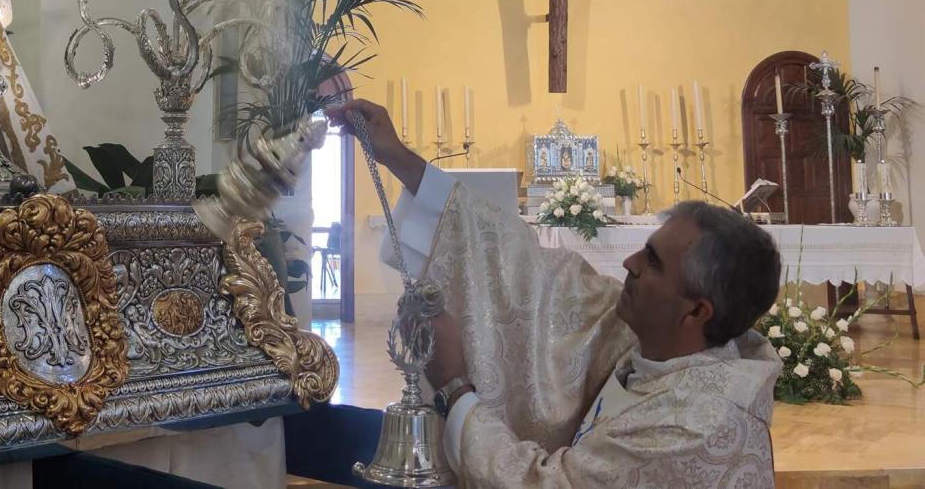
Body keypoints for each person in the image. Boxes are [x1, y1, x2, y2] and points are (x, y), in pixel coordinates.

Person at [327, 99, 782, 487]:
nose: (629, 264)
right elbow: (523, 268)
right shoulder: (647, 334)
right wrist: (399, 159)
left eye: (652, 263)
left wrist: (455, 383)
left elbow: (546, 484)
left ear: (697, 311)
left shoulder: (696, 423)